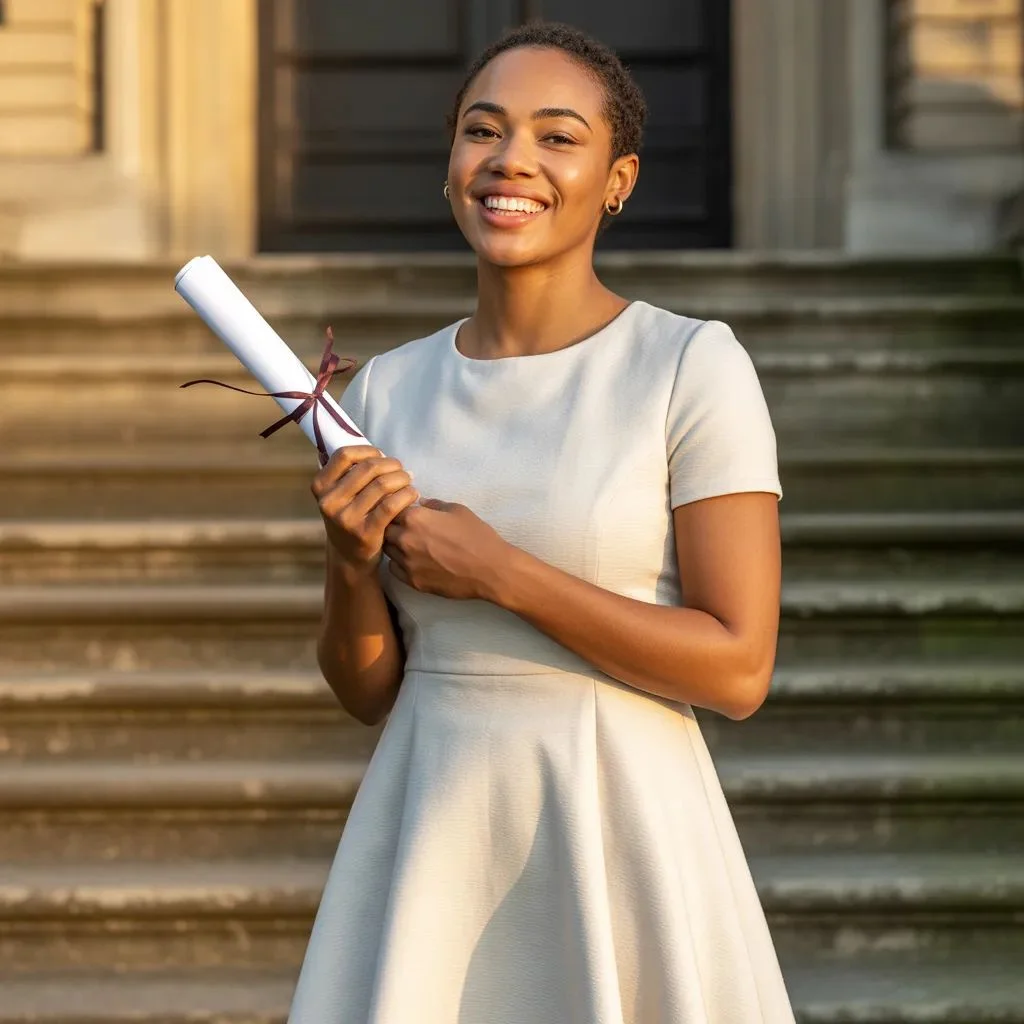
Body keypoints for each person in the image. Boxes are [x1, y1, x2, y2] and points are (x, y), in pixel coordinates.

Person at [289, 20, 795, 1024]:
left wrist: (500, 571)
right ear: (450, 166)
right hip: (429, 819)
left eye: (556, 137)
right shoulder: (384, 390)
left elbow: (738, 669)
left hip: (619, 821)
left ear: (619, 178)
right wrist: (350, 564)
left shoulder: (689, 366)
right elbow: (366, 687)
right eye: (483, 130)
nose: (510, 159)